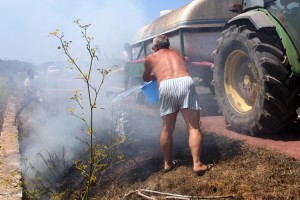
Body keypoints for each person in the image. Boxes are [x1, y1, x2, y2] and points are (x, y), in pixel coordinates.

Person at [142, 34, 213, 175]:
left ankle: (167, 164)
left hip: (166, 84)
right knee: (193, 127)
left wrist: (156, 76)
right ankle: (197, 164)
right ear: (167, 44)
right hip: (185, 81)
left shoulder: (151, 58)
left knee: (167, 129)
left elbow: (144, 78)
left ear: (155, 47)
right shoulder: (177, 54)